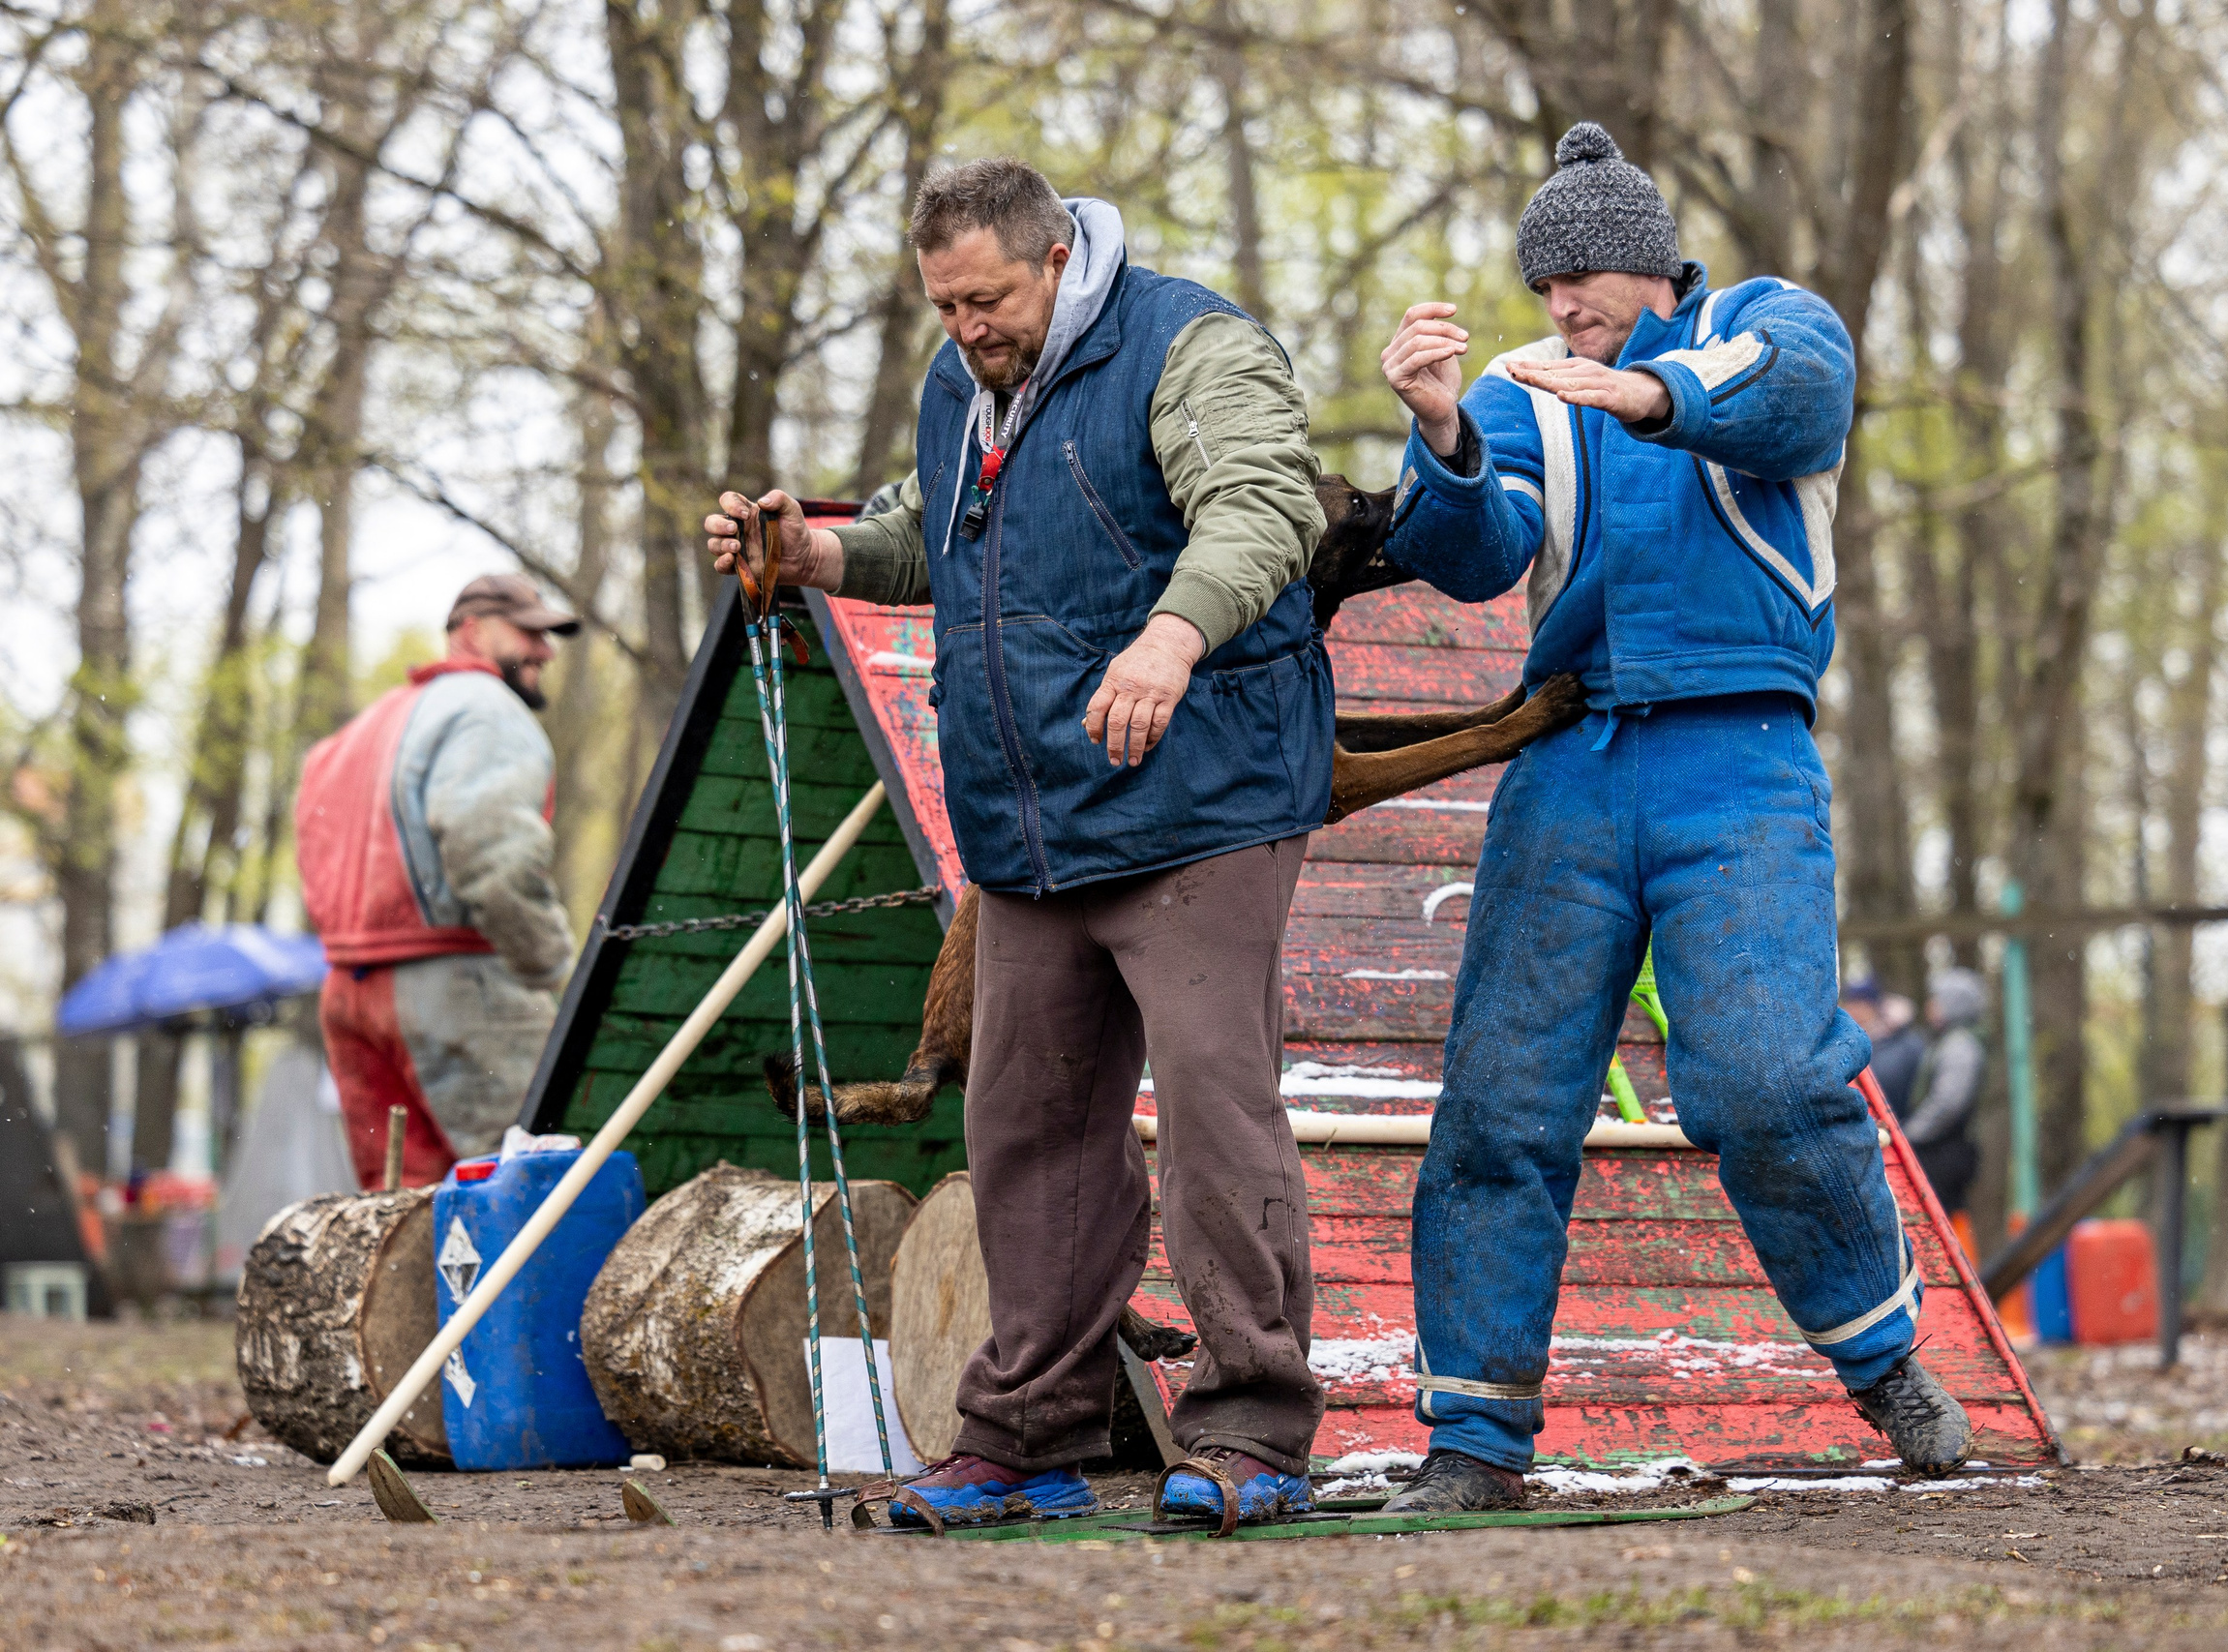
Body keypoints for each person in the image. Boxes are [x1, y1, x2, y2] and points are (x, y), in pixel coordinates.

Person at [705, 158, 1332, 1529]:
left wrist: (1171, 634)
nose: (964, 327)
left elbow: (1265, 505)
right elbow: (935, 535)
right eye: (941, 305)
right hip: (1031, 823)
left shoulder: (1192, 345)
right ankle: (1024, 1436)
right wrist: (809, 553)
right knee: (1023, 1129)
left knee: (1219, 1114)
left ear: (1056, 260)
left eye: (983, 297)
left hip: (1201, 798)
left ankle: (1251, 1430)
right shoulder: (961, 387)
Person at [1370, 122, 1972, 1511]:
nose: (1559, 308)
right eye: (1545, 288)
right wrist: (1446, 428)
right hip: (1570, 759)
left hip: (1740, 754)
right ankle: (1472, 1436)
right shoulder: (1532, 388)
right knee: (1501, 1102)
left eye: (1581, 277)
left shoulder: (1764, 324)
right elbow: (1473, 557)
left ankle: (1883, 1359)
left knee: (1765, 1078)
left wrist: (1640, 394)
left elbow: (1797, 396)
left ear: (1645, 265)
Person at [294, 575, 578, 1189]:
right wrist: (551, 966)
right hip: (453, 990)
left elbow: (314, 849)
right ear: (470, 632)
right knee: (536, 1188)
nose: (544, 652)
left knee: (403, 1217)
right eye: (528, 632)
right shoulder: (486, 709)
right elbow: (489, 847)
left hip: (347, 995)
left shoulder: (361, 730)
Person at [1901, 970, 1988, 1218]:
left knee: (1940, 1216)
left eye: (1937, 999)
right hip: (1944, 1149)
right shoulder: (1950, 1041)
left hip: (1945, 1152)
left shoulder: (1959, 1046)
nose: (1930, 1006)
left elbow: (1948, 1103)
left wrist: (1911, 1134)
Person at [1843, 978, 1928, 1117]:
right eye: (1851, 1003)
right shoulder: (1844, 1044)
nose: (1855, 1010)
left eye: (1862, 1004)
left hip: (1902, 1125)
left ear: (1876, 1006)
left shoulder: (1907, 1042)